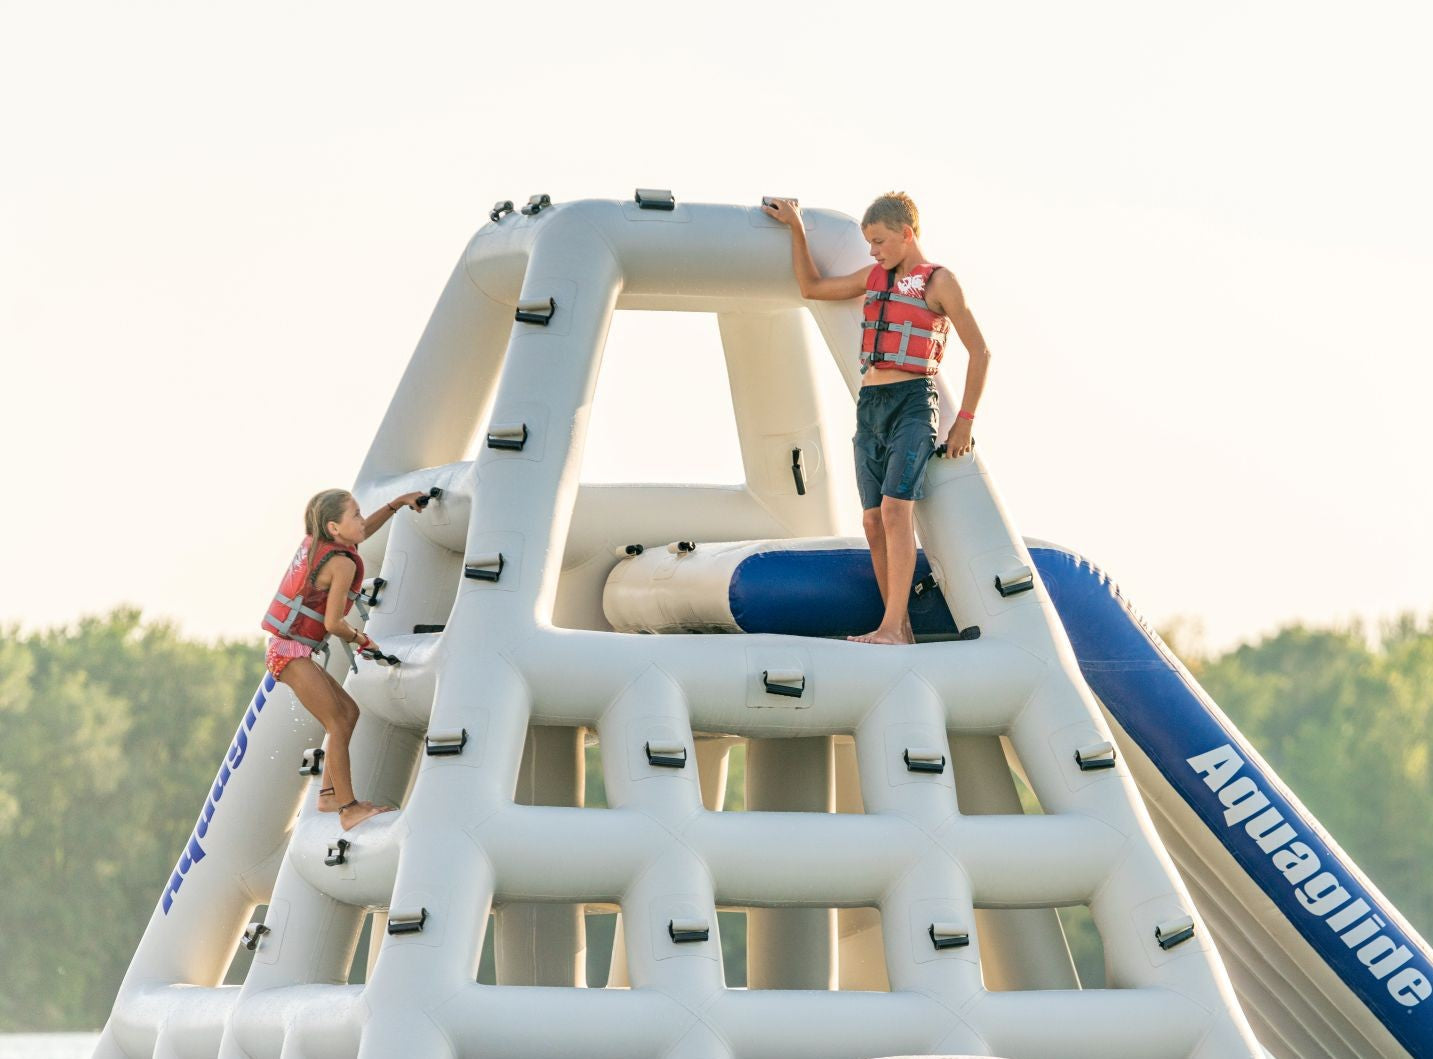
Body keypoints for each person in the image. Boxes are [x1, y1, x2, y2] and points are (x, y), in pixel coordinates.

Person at [764, 192, 991, 644]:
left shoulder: (940, 282)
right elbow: (811, 288)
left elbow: (980, 351)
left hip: (913, 401)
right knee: (871, 521)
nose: (873, 251)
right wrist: (796, 230)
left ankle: (890, 625)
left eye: (880, 241)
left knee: (894, 510)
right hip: (870, 409)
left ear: (907, 234)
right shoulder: (875, 278)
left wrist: (964, 420)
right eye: (869, 242)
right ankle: (898, 628)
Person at [262, 488, 426, 828]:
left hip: (288, 650)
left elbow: (362, 534)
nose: (362, 520)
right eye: (355, 515)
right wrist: (364, 640)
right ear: (335, 527)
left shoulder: (326, 546)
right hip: (289, 653)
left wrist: (396, 504)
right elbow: (333, 623)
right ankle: (348, 808)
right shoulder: (340, 563)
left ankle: (328, 795)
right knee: (337, 721)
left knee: (348, 712)